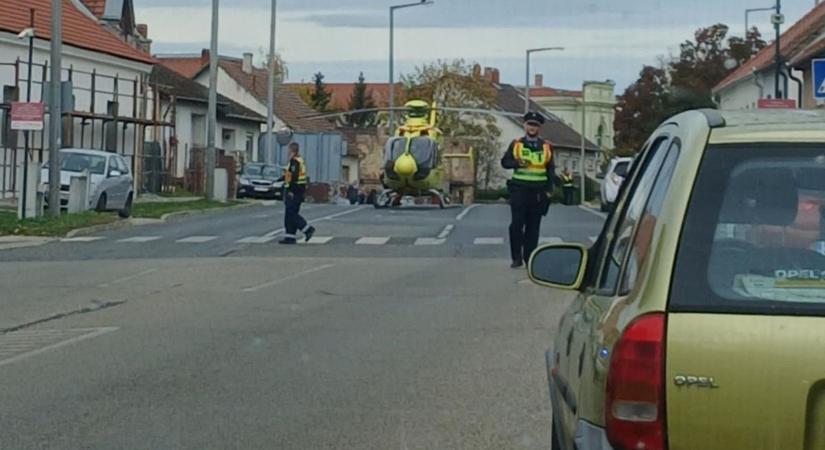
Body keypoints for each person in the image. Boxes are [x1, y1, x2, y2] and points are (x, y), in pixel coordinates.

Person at [501, 111, 557, 268]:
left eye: (535, 125)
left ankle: (530, 258)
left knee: (533, 227)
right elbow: (505, 162)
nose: (532, 128)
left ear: (539, 128)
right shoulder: (516, 144)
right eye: (530, 124)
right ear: (525, 125)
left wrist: (549, 190)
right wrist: (517, 163)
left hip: (538, 192)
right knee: (516, 225)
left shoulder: (546, 146)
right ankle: (516, 257)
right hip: (519, 190)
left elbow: (550, 169)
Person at [279, 143, 315, 245]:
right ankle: (290, 237)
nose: (287, 152)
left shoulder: (294, 161)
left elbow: (293, 177)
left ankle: (307, 229)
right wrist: (279, 179)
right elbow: (288, 175)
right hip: (296, 190)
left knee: (291, 213)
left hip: (294, 191)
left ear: (291, 150)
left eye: (288, 150)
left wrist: (290, 190)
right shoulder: (297, 161)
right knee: (289, 215)